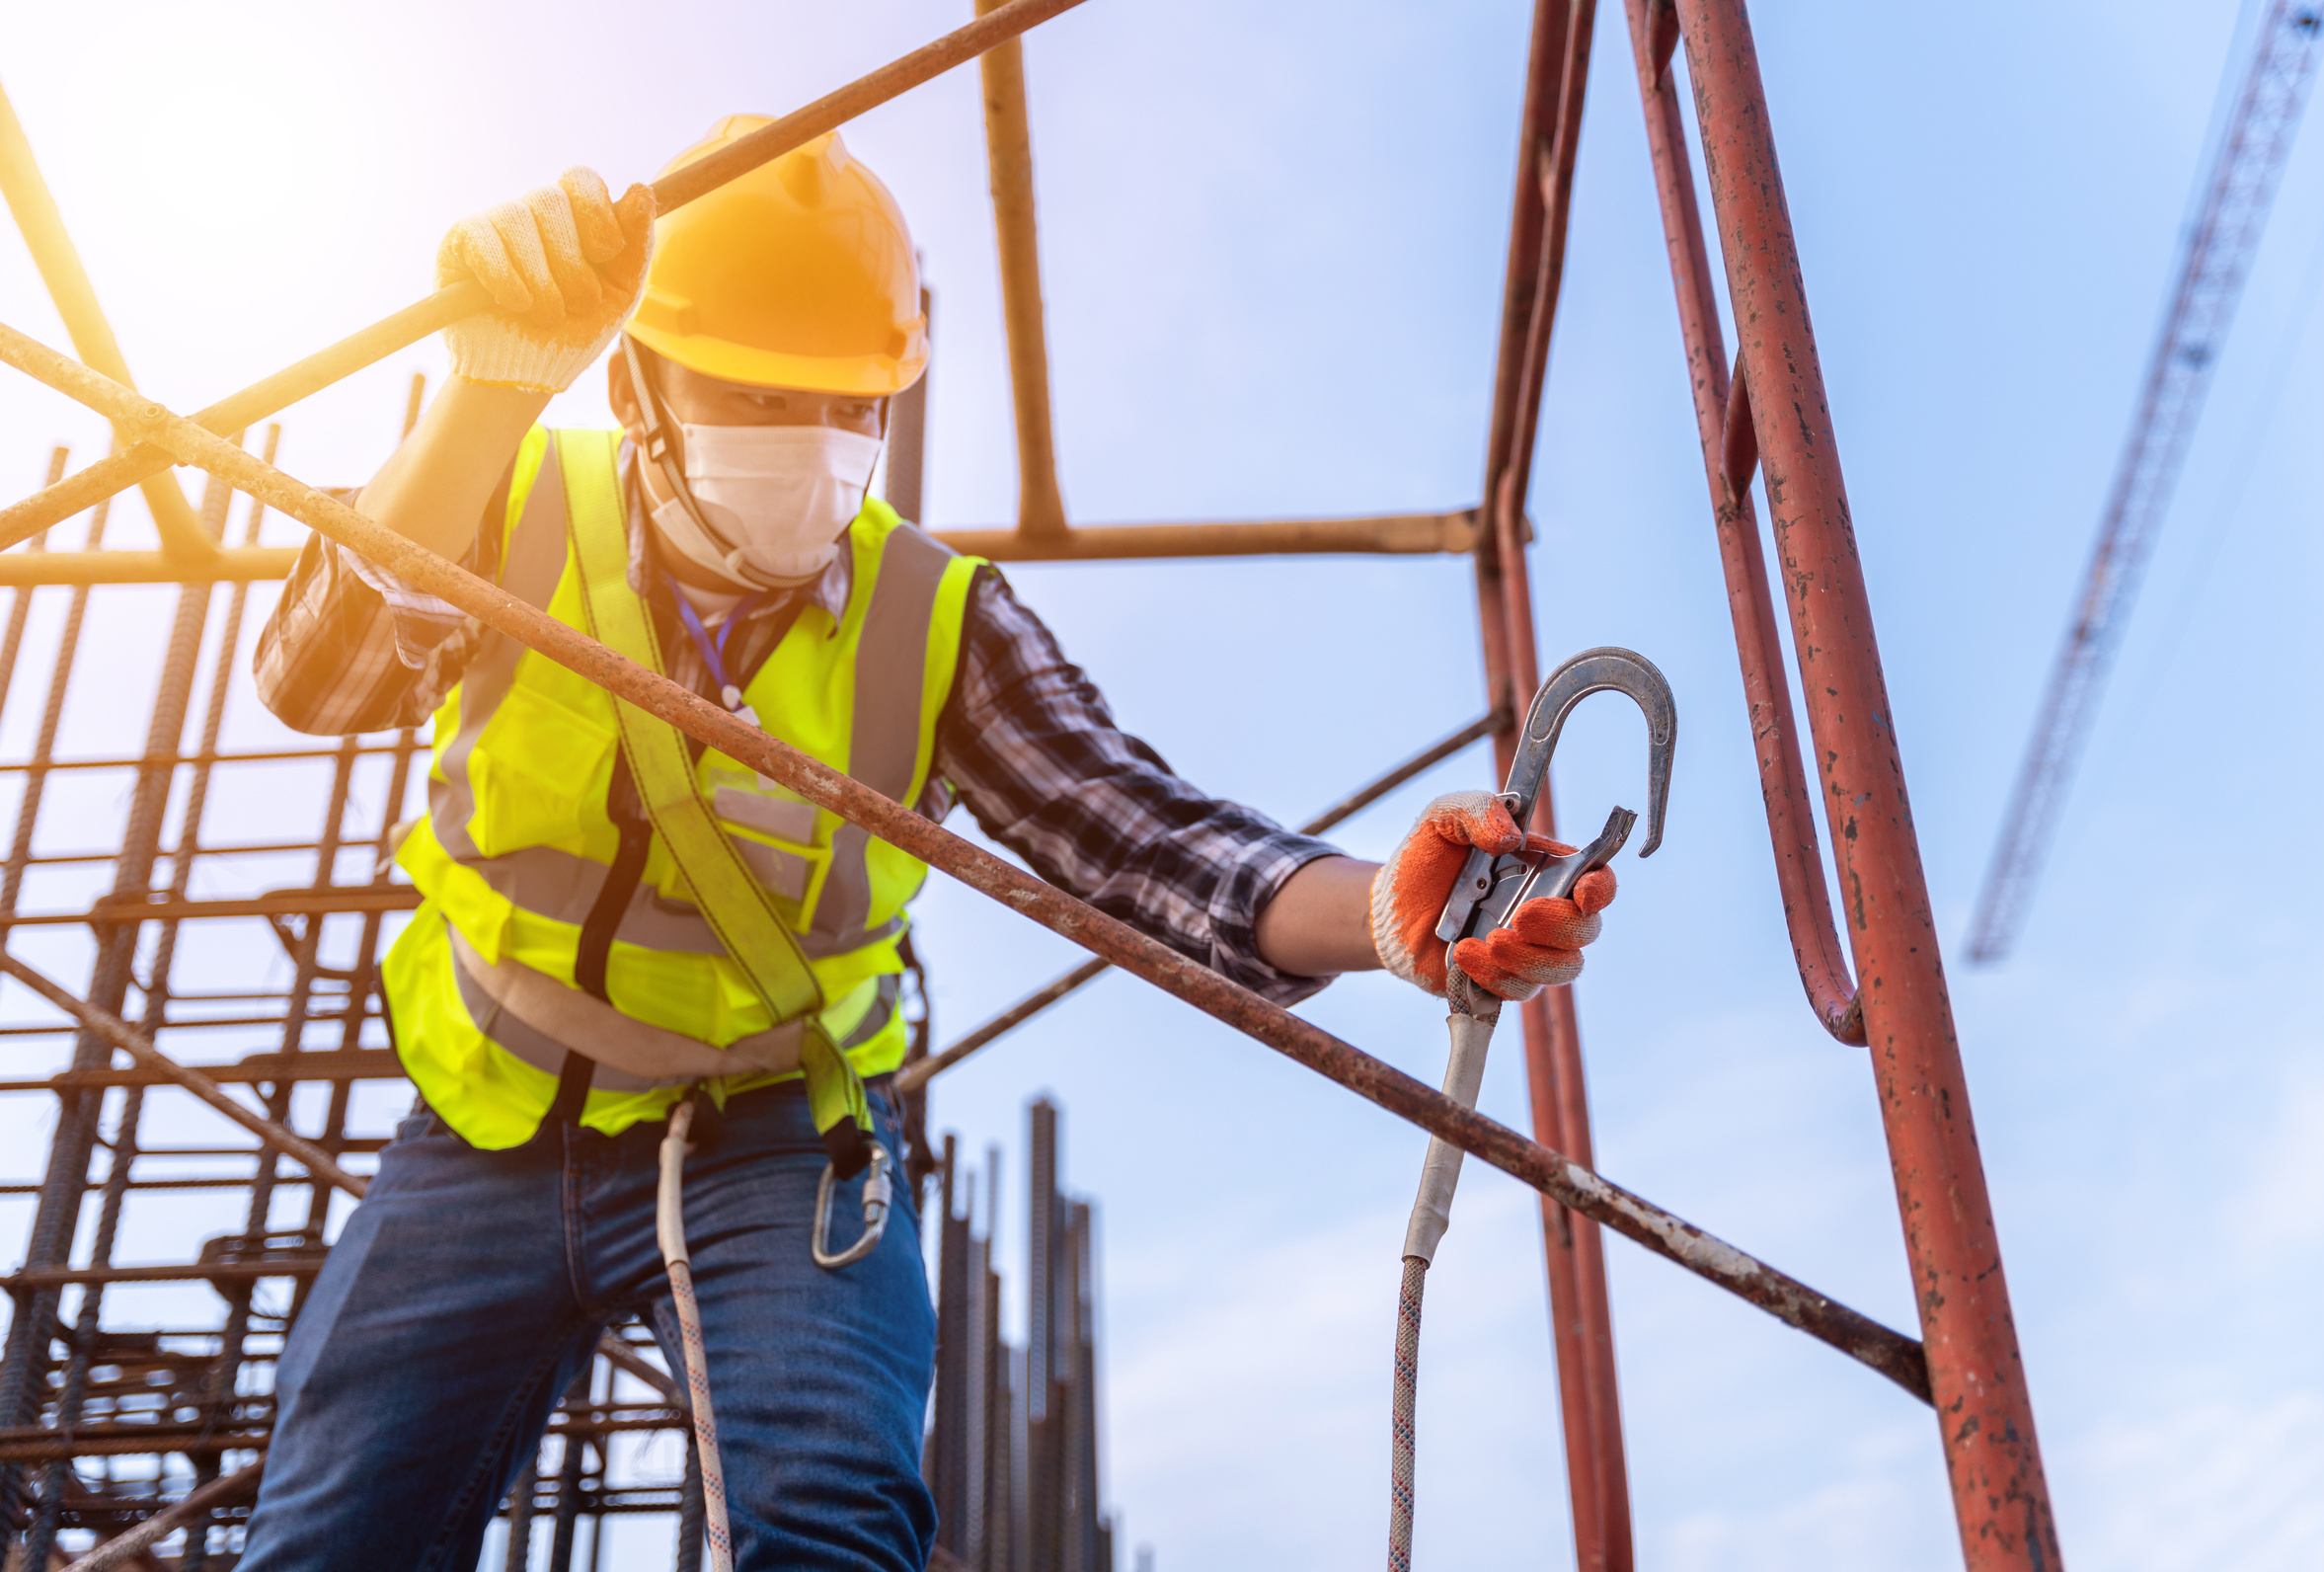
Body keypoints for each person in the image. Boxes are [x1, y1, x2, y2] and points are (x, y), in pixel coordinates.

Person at [236, 117, 1614, 1572]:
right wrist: (482, 396)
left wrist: (1390, 921)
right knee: (326, 1546)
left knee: (832, 1527)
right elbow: (315, 681)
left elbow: (1140, 839)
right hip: (491, 1120)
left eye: (848, 405)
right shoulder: (509, 496)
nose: (807, 444)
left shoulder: (935, 618)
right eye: (753, 392)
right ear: (642, 381)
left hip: (781, 1134)